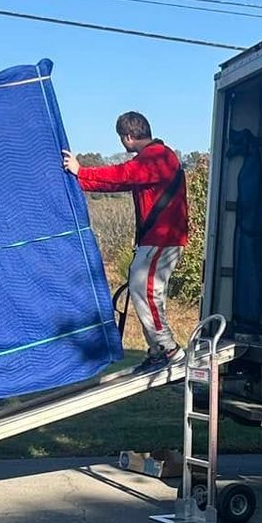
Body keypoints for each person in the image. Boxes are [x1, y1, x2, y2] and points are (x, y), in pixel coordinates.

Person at [63, 110, 189, 370]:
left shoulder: (157, 158)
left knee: (145, 291)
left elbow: (122, 175)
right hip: (159, 239)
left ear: (128, 136)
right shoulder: (153, 159)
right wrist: (81, 180)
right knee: (143, 291)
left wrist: (81, 170)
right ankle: (158, 351)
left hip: (162, 238)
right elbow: (118, 183)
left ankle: (169, 351)